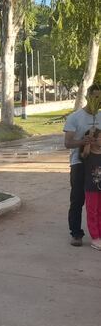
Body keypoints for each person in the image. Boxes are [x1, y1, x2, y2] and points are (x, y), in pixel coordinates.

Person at [64, 85, 101, 247]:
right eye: (94, 97)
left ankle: (98, 232)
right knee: (78, 199)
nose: (97, 100)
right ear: (87, 96)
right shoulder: (75, 117)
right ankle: (76, 234)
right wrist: (83, 141)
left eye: (100, 97)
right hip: (79, 163)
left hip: (98, 163)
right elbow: (68, 143)